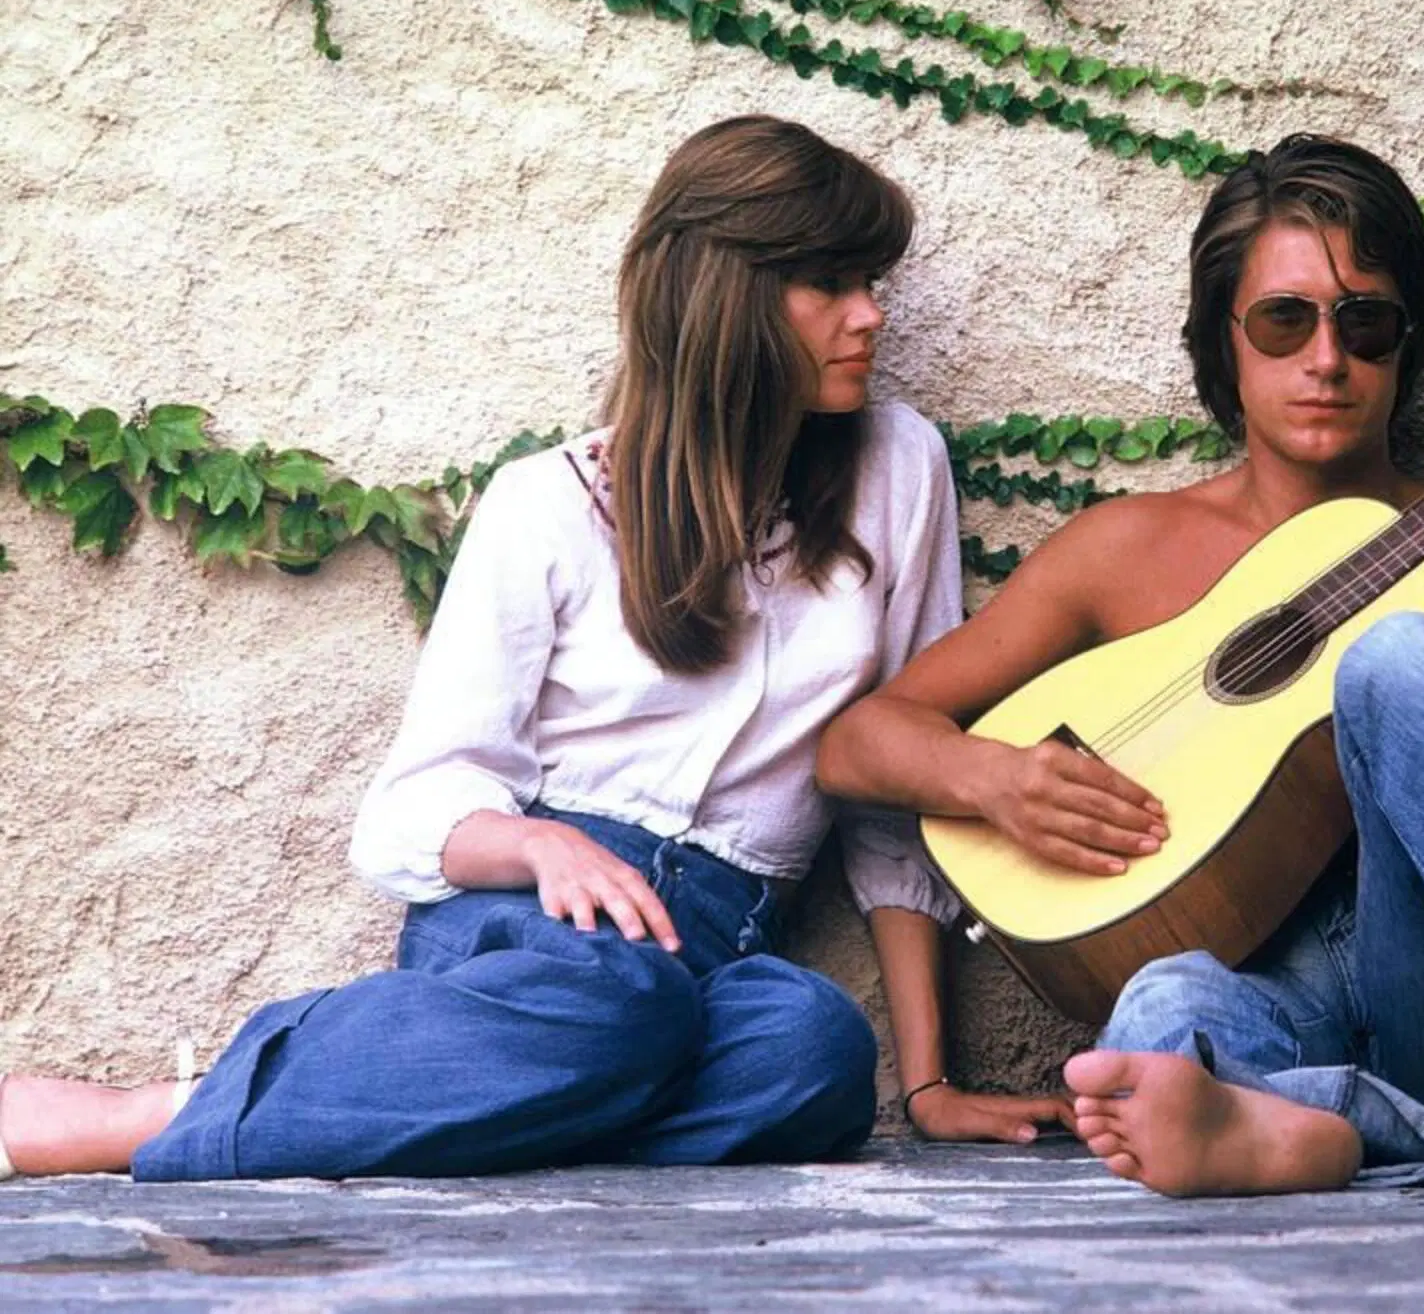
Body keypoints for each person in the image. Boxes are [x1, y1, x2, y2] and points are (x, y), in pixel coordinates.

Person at [0, 114, 1066, 1184]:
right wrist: (540, 848)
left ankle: (469, 1109)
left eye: (869, 279)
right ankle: (152, 1114)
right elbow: (410, 809)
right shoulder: (549, 505)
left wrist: (925, 1084)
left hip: (715, 945)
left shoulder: (899, 468)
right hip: (533, 932)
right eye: (828, 283)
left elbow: (890, 783)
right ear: (720, 296)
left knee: (815, 1048)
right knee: (611, 1003)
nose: (869, 314)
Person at [815, 133, 1424, 1196]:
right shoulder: (1123, 549)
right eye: (1284, 320)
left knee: (1400, 656)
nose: (1325, 359)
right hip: (1263, 999)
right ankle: (1319, 1129)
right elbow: (859, 741)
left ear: (1404, 346)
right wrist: (996, 778)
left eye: (1362, 322)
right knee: (1154, 1020)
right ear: (1221, 343)